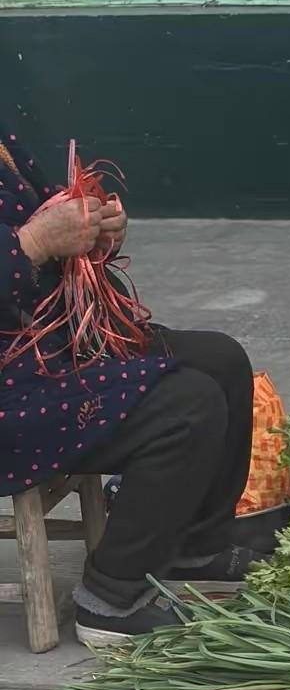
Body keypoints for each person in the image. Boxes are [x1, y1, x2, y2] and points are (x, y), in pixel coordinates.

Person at [1, 119, 263, 647]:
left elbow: (39, 209)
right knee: (185, 405)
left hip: (41, 348)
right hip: (12, 391)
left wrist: (88, 222)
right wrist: (32, 243)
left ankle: (193, 545)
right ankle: (110, 599)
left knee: (220, 361)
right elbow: (28, 238)